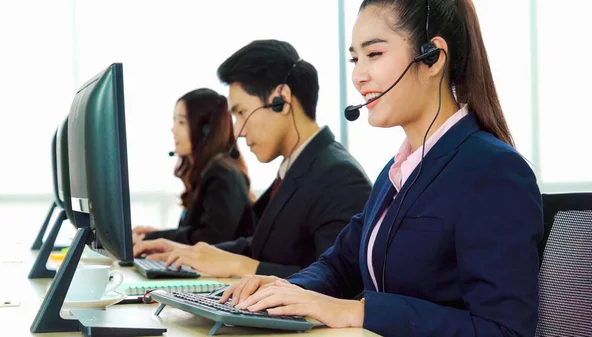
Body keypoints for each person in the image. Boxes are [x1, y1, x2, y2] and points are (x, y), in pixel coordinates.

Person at [218, 1, 544, 336]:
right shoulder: (396, 172)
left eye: (374, 54)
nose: (358, 76)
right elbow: (339, 265)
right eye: (355, 59)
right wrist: (283, 291)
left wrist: (360, 312)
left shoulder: (493, 171)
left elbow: (504, 330)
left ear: (432, 56)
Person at [133, 40, 372, 279]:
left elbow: (340, 284)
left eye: (241, 112)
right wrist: (189, 251)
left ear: (282, 100)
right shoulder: (297, 167)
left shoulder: (339, 176)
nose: (237, 131)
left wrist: (241, 267)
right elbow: (259, 248)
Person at [132, 88, 254, 246]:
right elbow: (195, 231)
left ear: (206, 131)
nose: (173, 129)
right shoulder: (210, 171)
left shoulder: (222, 174)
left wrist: (156, 239)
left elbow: (212, 238)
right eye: (174, 121)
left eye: (181, 122)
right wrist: (157, 236)